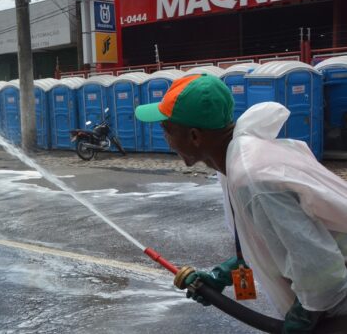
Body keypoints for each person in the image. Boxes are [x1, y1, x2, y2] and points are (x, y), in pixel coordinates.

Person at [134, 74, 347, 332]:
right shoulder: (236, 159)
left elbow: (320, 270)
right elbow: (277, 240)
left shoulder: (252, 176)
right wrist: (224, 273)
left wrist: (303, 317)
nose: (166, 139)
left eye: (167, 130)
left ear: (194, 136)